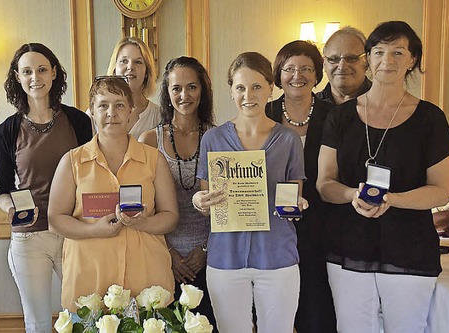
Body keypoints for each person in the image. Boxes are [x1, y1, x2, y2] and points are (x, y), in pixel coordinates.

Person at [316, 21, 449, 333]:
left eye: (398, 52)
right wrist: (353, 195)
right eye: (378, 52)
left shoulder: (430, 118)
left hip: (410, 249)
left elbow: (441, 190)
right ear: (369, 58)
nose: (387, 60)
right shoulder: (340, 117)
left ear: (412, 60)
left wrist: (392, 200)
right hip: (348, 248)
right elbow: (325, 184)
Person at [192, 52, 307, 333]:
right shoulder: (213, 139)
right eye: (241, 87)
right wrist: (199, 201)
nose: (248, 95)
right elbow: (205, 194)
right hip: (226, 258)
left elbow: (294, 194)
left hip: (277, 256)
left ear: (270, 88)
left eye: (257, 86)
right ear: (231, 90)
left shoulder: (289, 139)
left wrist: (296, 204)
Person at [48, 76, 178, 312]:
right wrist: (93, 230)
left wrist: (144, 223)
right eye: (103, 105)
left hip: (147, 284)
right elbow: (55, 220)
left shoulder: (154, 159)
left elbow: (170, 216)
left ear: (131, 111)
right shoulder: (72, 161)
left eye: (119, 105)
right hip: (89, 285)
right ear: (92, 112)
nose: (111, 112)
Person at [0, 43, 92, 333]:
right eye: (27, 72)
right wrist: (10, 207)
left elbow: (90, 175)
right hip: (29, 239)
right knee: (36, 322)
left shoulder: (78, 121)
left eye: (41, 69)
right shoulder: (6, 131)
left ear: (53, 73)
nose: (34, 77)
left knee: (84, 314)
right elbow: (3, 190)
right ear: (17, 77)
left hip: (73, 232)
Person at [138, 56, 216, 328]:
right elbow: (145, 208)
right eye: (177, 88)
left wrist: (205, 249)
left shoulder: (218, 137)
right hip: (162, 256)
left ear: (202, 90)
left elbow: (227, 205)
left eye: (192, 87)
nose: (184, 95)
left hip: (211, 256)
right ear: (167, 93)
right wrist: (169, 254)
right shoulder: (149, 140)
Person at [266, 41, 336, 333]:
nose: (298, 75)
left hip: (323, 224)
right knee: (275, 308)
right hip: (272, 225)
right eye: (289, 68)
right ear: (278, 74)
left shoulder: (335, 114)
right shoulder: (264, 113)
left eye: (306, 68)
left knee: (317, 305)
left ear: (318, 74)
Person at [89, 37, 160, 139]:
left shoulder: (159, 116)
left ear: (146, 72)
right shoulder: (95, 112)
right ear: (114, 69)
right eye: (124, 61)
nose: (130, 67)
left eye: (138, 62)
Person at [316, 26, 372, 106]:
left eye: (351, 58)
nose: (342, 67)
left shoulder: (386, 104)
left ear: (366, 62)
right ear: (324, 64)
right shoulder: (310, 107)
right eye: (334, 59)